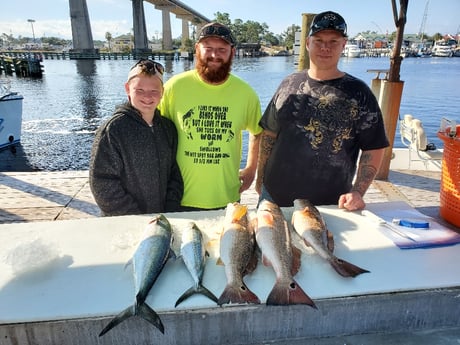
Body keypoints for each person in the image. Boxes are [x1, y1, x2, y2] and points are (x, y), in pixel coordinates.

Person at [256, 11, 389, 211]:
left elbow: (374, 146)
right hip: (274, 197)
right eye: (319, 40)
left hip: (330, 204)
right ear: (308, 43)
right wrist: (260, 177)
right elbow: (269, 134)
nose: (325, 47)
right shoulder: (288, 84)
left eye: (333, 41)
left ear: (343, 45)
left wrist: (358, 191)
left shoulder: (359, 93)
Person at [159, 22, 263, 211]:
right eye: (208, 48)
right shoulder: (174, 87)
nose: (215, 55)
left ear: (232, 52)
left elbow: (257, 132)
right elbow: (154, 130)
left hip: (226, 197)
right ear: (197, 49)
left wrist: (250, 169)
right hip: (177, 196)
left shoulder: (245, 93)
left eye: (222, 49)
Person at [89, 59, 183, 216]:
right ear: (127, 89)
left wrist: (170, 210)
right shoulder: (113, 130)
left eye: (154, 91)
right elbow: (102, 182)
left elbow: (174, 173)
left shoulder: (168, 128)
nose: (147, 97)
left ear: (162, 92)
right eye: (139, 90)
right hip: (124, 221)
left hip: (162, 218)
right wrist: (134, 216)